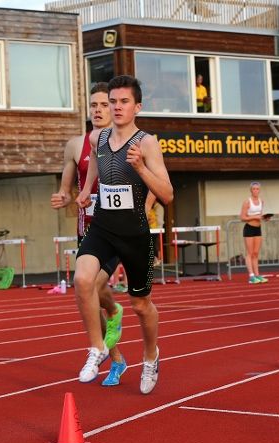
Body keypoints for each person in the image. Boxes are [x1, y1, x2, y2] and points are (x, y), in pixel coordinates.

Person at [75, 75, 173, 394]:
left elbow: (168, 194)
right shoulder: (98, 139)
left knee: (141, 305)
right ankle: (98, 348)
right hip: (103, 227)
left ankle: (150, 356)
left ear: (137, 107)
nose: (116, 107)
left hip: (134, 234)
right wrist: (86, 191)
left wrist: (142, 169)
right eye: (112, 101)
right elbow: (95, 169)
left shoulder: (146, 143)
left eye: (123, 102)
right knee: (83, 279)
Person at [50, 82, 126, 386]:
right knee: (90, 293)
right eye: (94, 106)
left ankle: (100, 345)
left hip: (116, 230)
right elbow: (66, 190)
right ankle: (116, 356)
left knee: (89, 286)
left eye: (104, 105)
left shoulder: (127, 141)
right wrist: (63, 198)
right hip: (87, 230)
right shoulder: (74, 145)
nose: (98, 110)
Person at [239, 182, 270, 284]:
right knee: (250, 253)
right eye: (254, 189)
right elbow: (242, 218)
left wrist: (265, 218)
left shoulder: (262, 201)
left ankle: (257, 275)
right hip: (249, 228)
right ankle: (251, 276)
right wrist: (254, 217)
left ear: (259, 190)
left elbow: (260, 215)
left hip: (258, 228)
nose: (256, 190)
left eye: (257, 189)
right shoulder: (247, 202)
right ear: (251, 190)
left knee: (256, 253)